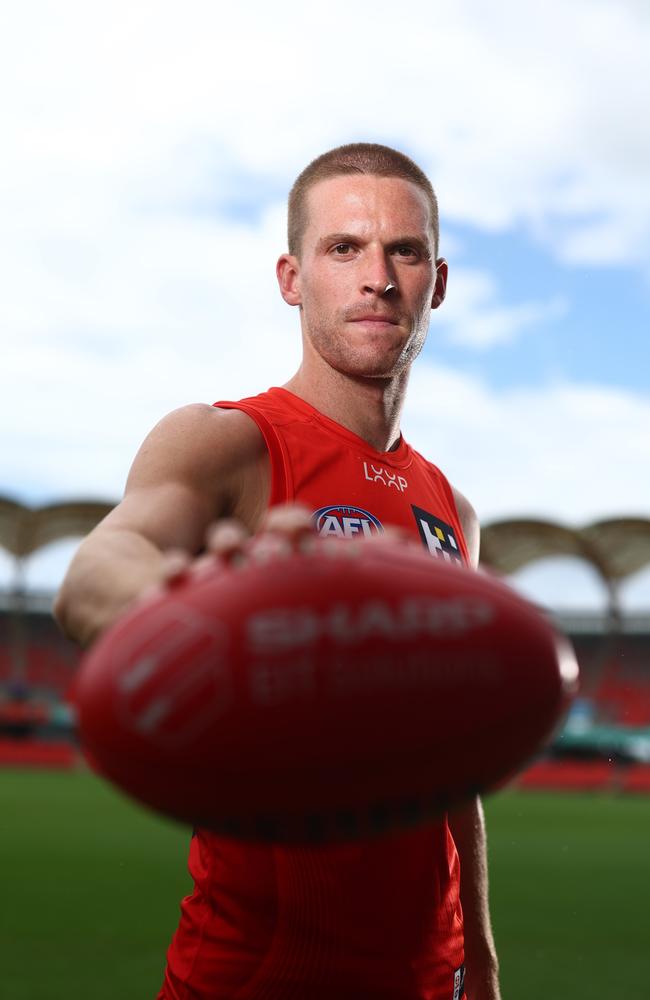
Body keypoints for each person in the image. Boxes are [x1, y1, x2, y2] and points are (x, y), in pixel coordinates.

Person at [55, 143, 501, 1000]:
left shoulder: (453, 510)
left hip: (426, 979)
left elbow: (455, 767)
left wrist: (477, 964)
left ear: (436, 282)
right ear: (292, 277)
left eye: (402, 251)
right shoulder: (226, 441)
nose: (377, 276)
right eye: (344, 248)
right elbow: (96, 572)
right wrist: (198, 615)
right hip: (257, 976)